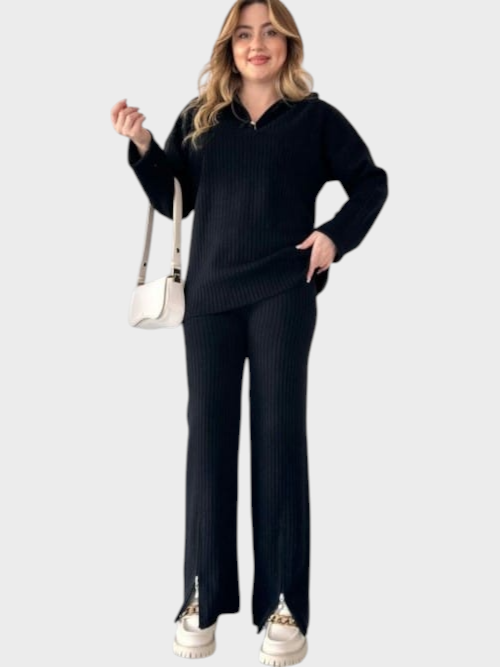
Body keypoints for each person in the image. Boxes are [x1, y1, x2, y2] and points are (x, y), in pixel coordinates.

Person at [111, 0, 388, 663]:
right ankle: (201, 594)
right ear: (228, 46)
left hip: (283, 294)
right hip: (208, 300)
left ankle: (283, 602)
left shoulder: (316, 119)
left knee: (278, 438)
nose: (255, 43)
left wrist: (334, 237)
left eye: (268, 32)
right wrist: (144, 146)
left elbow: (370, 183)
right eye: (242, 33)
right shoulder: (202, 116)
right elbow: (174, 198)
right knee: (208, 441)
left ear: (287, 43)